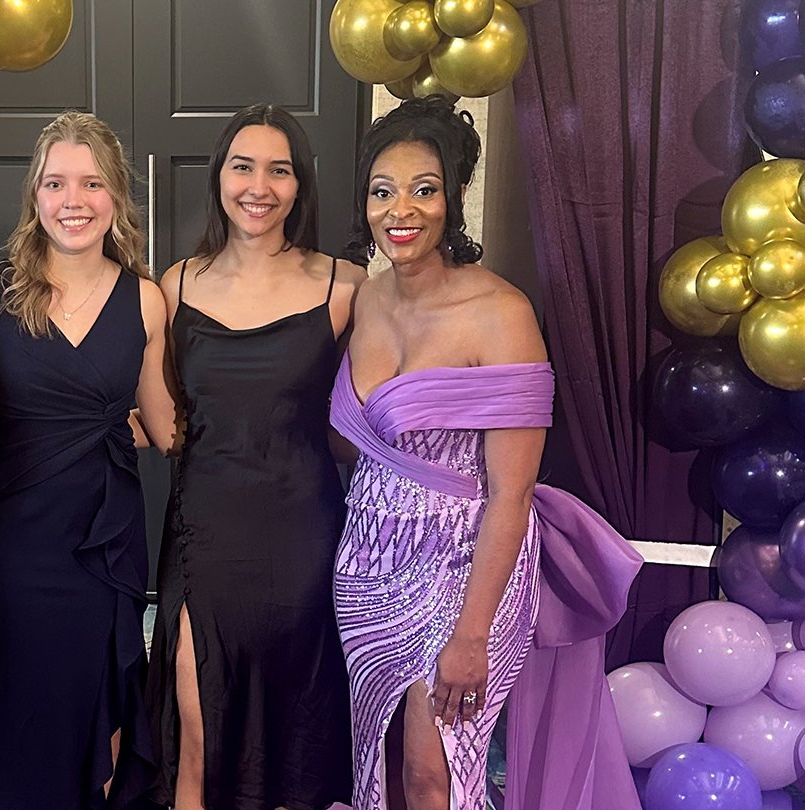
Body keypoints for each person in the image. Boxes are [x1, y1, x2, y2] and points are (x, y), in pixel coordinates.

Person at [329, 97, 642, 810]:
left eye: (423, 188)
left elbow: (512, 494)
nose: (399, 209)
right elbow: (357, 440)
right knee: (377, 764)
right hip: (368, 564)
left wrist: (472, 633)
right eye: (382, 191)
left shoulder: (501, 314)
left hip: (464, 568)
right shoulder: (366, 300)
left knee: (437, 773)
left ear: (453, 198)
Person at [146, 103, 361, 810]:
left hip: (302, 537)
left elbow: (372, 418)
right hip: (202, 534)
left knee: (292, 723)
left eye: (279, 169)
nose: (258, 186)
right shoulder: (174, 285)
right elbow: (166, 415)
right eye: (243, 166)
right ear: (219, 177)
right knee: (198, 724)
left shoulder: (348, 287)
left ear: (300, 186)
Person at [0, 110, 177, 809]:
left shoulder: (145, 300)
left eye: (91, 183)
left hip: (105, 537)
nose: (73, 200)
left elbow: (164, 426)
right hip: (16, 537)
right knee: (21, 691)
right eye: (56, 183)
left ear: (117, 196)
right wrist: (24, 444)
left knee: (99, 692)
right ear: (35, 195)